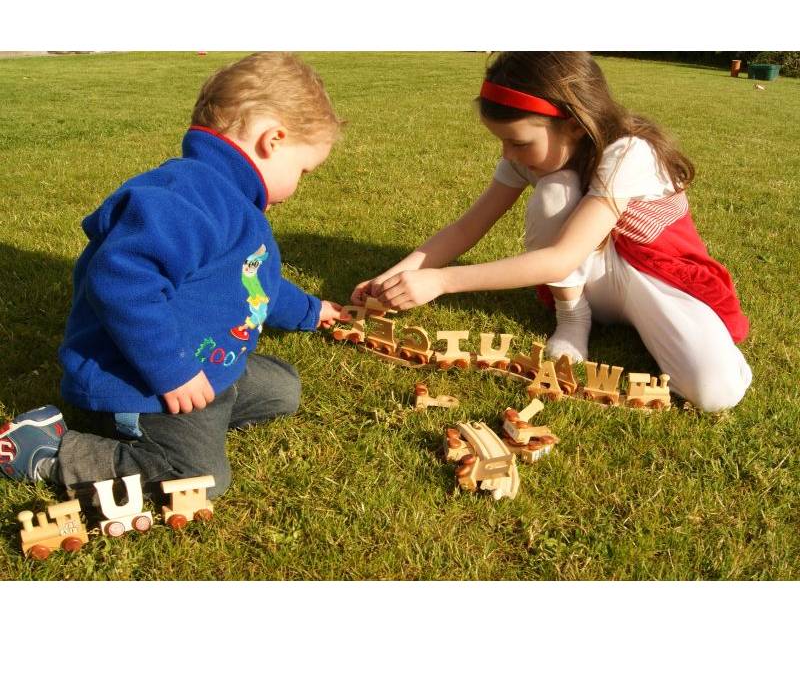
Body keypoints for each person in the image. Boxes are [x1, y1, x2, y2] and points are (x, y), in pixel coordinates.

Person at [0, 52, 343, 496]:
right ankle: (45, 449)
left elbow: (254, 281)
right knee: (199, 477)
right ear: (272, 139)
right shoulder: (187, 196)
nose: (299, 184)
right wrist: (173, 372)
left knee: (284, 389)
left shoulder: (235, 199)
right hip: (142, 380)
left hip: (205, 363)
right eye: (304, 170)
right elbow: (121, 281)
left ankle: (210, 405)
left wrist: (312, 311)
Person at [352, 52, 751, 412]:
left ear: (575, 126)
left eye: (518, 141)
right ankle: (573, 318)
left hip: (652, 278)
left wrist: (441, 280)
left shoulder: (629, 153)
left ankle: (671, 330)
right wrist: (389, 279)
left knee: (716, 392)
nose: (507, 154)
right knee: (555, 192)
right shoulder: (530, 158)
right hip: (589, 280)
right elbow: (466, 228)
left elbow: (563, 256)